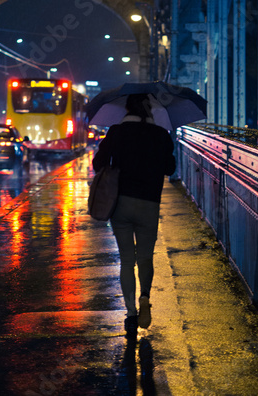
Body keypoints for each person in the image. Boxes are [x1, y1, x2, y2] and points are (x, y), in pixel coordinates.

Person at [92, 93, 176, 338]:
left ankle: (130, 314)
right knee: (146, 257)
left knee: (127, 260)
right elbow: (170, 169)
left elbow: (99, 164)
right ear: (149, 109)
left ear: (126, 108)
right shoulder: (161, 135)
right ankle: (145, 298)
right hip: (149, 203)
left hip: (121, 204)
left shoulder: (116, 132)